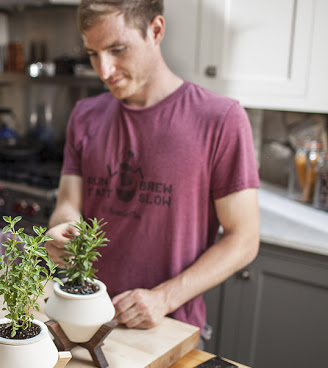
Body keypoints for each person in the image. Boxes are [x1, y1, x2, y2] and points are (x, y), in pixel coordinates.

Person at [45, 0, 260, 341]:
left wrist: (164, 298)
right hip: (86, 320)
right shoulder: (85, 115)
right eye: (92, 53)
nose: (104, 70)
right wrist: (62, 230)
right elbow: (68, 205)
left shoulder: (220, 119)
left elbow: (244, 239)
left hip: (169, 327)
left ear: (156, 30)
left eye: (117, 49)